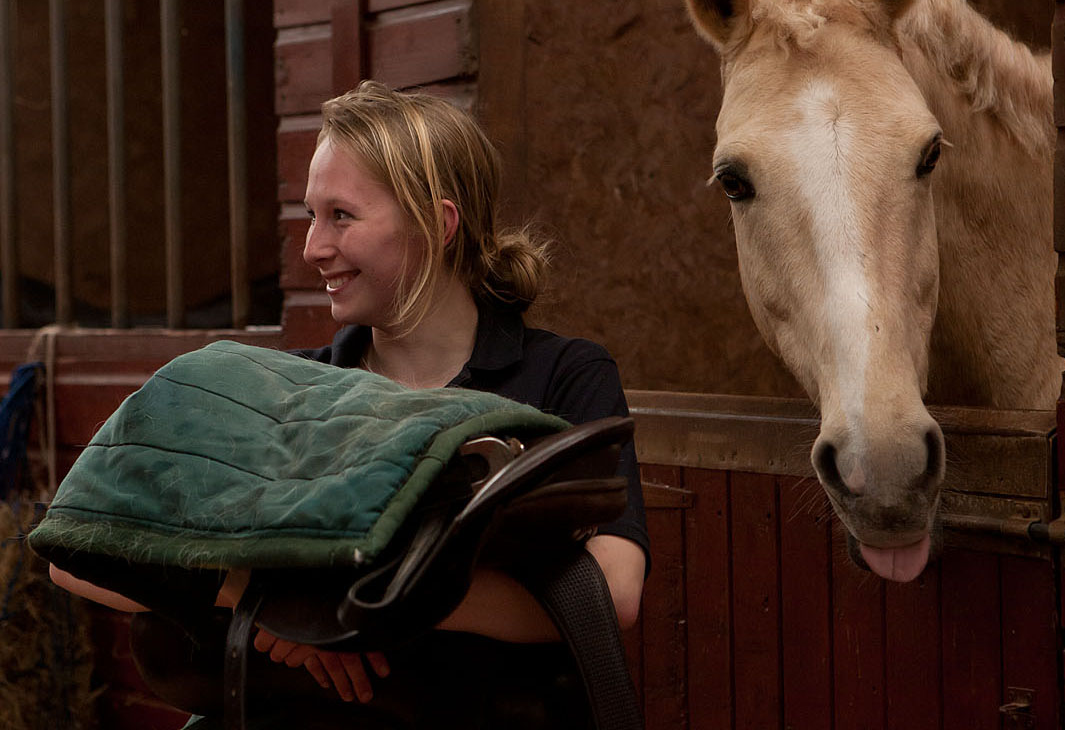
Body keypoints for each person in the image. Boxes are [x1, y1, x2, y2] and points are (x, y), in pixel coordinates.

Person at [50, 80, 649, 722]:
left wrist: (364, 606)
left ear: (437, 224)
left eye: (342, 215)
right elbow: (76, 552)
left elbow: (613, 591)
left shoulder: (562, 375)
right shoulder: (282, 392)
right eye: (312, 214)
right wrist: (271, 599)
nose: (313, 248)